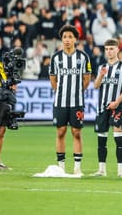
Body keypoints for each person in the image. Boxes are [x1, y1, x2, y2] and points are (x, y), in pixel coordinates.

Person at [49, 25, 92, 176]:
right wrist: (60, 92)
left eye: (70, 37)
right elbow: (53, 80)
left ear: (75, 39)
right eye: (64, 37)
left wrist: (78, 91)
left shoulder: (83, 57)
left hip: (77, 102)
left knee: (77, 132)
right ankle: (61, 166)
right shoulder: (56, 58)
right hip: (60, 102)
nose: (67, 40)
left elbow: (87, 79)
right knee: (61, 132)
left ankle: (77, 167)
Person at [91, 38, 122, 177]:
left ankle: (121, 171)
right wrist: (101, 76)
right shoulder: (101, 67)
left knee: (118, 138)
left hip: (117, 107)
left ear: (117, 50)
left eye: (111, 49)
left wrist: (117, 102)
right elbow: (96, 86)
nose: (109, 52)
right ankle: (101, 170)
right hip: (102, 107)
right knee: (101, 139)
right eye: (107, 49)